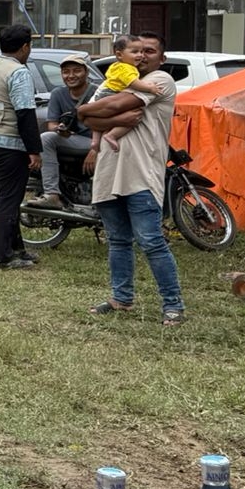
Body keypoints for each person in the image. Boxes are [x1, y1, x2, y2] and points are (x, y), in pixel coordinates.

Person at [79, 32, 185, 324]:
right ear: (122, 54)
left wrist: (85, 110)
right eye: (137, 50)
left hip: (141, 173)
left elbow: (108, 107)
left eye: (149, 51)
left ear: (161, 58)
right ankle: (121, 298)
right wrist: (93, 114)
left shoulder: (161, 80)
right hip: (108, 171)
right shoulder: (112, 80)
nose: (142, 56)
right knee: (118, 240)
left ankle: (173, 303)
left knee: (151, 241)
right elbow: (91, 119)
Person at [0, 24, 42, 270]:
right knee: (8, 200)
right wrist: (34, 150)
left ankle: (17, 249)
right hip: (9, 144)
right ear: (25, 47)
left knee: (7, 197)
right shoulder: (18, 72)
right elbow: (25, 113)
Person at [32, 52, 95, 209]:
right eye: (66, 72)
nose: (71, 76)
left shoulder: (98, 92)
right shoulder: (58, 93)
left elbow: (109, 127)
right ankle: (52, 194)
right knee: (46, 137)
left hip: (97, 141)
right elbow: (51, 125)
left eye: (76, 71)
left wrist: (95, 149)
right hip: (73, 140)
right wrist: (61, 130)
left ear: (86, 72)